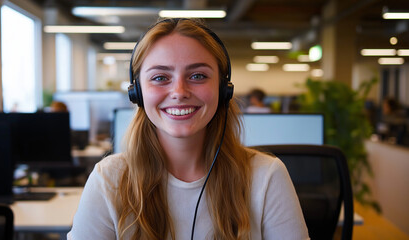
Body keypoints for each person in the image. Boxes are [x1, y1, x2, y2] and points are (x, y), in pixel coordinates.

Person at [68, 18, 308, 240]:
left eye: (198, 75)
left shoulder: (266, 177)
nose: (180, 92)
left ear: (224, 89)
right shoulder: (109, 180)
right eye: (160, 78)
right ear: (137, 93)